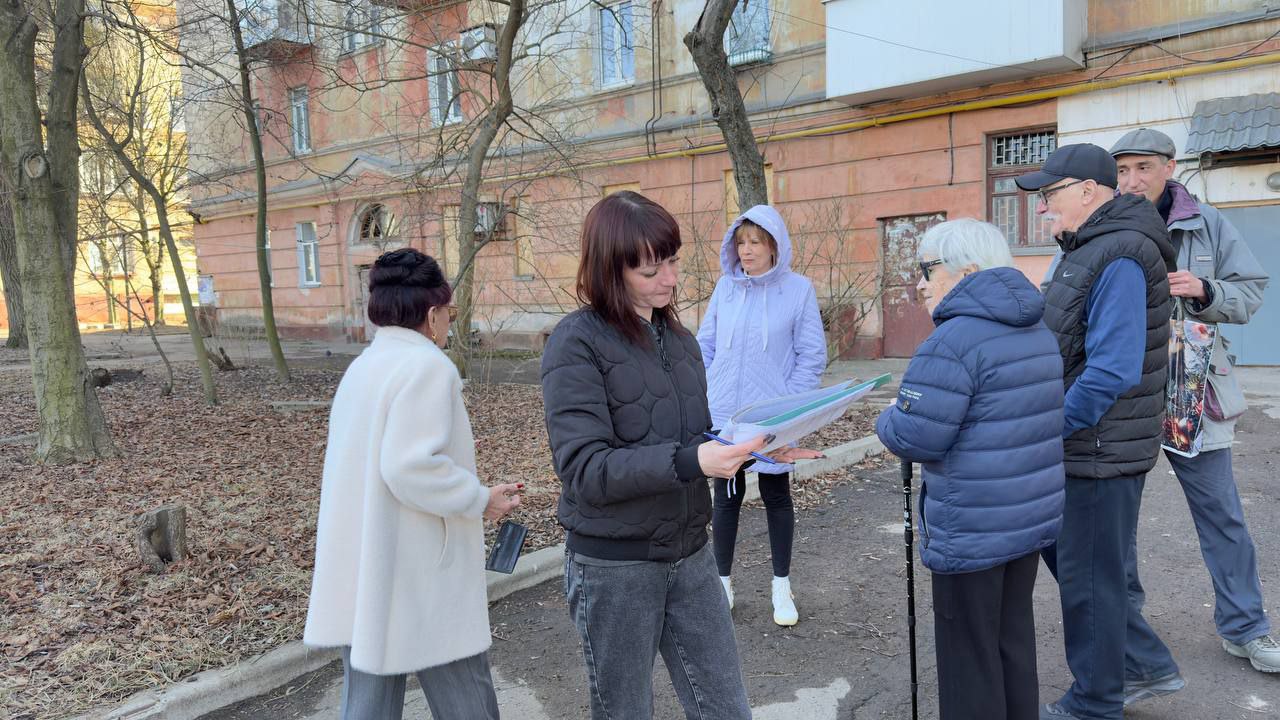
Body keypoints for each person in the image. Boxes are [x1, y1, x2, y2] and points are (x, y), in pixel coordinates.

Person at [540, 191, 819, 720]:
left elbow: (697, 432)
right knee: (625, 712)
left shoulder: (678, 337)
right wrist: (695, 462)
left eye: (672, 262)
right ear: (608, 271)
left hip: (690, 554)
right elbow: (583, 470)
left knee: (726, 709)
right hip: (615, 570)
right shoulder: (576, 343)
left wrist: (762, 444)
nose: (669, 280)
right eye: (651, 270)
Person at [302, 248, 522, 720]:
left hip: (370, 566)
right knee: (467, 700)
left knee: (368, 705)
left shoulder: (364, 368)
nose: (449, 324)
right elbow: (409, 467)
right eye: (449, 313)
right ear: (431, 313)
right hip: (420, 569)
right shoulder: (426, 367)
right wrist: (480, 499)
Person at [1014, 144, 1179, 720]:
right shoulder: (1089, 249)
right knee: (1083, 568)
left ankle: (1095, 701)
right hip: (1090, 445)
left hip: (1099, 449)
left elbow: (1111, 368)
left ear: (1088, 191)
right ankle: (1144, 662)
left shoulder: (1121, 255)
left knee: (1089, 582)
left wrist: (1044, 427)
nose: (1043, 208)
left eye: (1049, 195)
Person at [875, 219, 1065, 720]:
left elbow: (915, 435)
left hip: (972, 528)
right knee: (1011, 645)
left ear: (970, 271)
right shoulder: (1036, 329)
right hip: (1026, 524)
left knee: (969, 662)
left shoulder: (952, 341)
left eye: (928, 268)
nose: (920, 282)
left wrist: (887, 416)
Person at [1109, 128, 1275, 685]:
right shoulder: (1103, 222)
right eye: (1122, 169)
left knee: (1222, 516)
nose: (1131, 180)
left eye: (1143, 168)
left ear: (1169, 167)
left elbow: (1251, 290)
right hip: (1124, 393)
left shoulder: (1208, 223)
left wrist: (1205, 289)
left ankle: (1245, 627)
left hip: (1192, 390)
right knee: (1117, 522)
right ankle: (1125, 630)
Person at [697, 205, 826, 626]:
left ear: (774, 245)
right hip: (725, 413)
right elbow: (707, 344)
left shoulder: (798, 290)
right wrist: (701, 389)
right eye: (741, 242)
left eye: (755, 242)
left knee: (776, 496)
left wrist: (788, 412)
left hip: (771, 417)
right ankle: (722, 586)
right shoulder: (725, 288)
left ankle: (781, 587)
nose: (746, 250)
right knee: (726, 496)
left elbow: (811, 356)